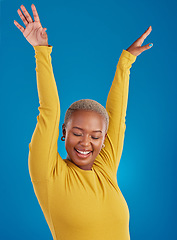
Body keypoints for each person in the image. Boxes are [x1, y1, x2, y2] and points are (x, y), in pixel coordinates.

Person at [14, 4, 153, 240]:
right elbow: (49, 111)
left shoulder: (105, 169)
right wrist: (41, 51)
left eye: (96, 136)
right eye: (77, 132)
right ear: (63, 133)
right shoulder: (49, 174)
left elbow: (117, 118)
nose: (86, 142)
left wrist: (125, 63)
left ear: (103, 139)